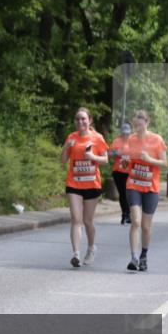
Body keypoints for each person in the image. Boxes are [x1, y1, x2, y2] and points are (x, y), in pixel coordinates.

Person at [120, 110, 168, 272]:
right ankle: (133, 257)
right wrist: (125, 162)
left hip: (151, 187)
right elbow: (126, 164)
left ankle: (143, 255)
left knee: (146, 227)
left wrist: (149, 160)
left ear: (147, 123)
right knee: (135, 221)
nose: (137, 127)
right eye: (135, 124)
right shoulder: (131, 140)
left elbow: (164, 163)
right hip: (134, 185)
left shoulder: (157, 140)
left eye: (140, 124)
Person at [60, 107, 108, 268]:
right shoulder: (71, 137)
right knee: (76, 218)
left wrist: (92, 157)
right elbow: (62, 161)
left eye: (83, 119)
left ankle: (91, 247)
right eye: (77, 119)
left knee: (87, 221)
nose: (80, 121)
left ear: (90, 120)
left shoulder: (97, 138)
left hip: (92, 184)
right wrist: (67, 146)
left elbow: (105, 160)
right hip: (74, 183)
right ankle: (76, 254)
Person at [108, 122, 133, 224]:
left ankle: (130, 213)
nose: (125, 135)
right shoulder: (117, 141)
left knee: (129, 194)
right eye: (124, 133)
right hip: (118, 172)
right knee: (122, 194)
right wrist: (116, 153)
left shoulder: (134, 141)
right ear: (121, 132)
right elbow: (108, 154)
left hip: (130, 172)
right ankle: (125, 214)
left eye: (127, 133)